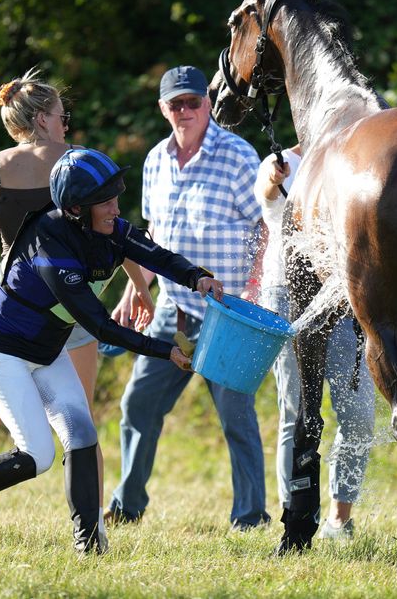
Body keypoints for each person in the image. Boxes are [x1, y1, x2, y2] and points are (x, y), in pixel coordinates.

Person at [0, 147, 221, 553]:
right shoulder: (51, 248)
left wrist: (197, 277)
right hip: (1, 350)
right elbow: (99, 325)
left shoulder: (106, 228)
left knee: (82, 433)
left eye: (115, 197)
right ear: (77, 208)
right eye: (106, 201)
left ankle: (89, 541)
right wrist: (165, 352)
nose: (116, 207)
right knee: (37, 454)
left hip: (45, 348)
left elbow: (155, 255)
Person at [0, 70, 153, 542]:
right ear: (41, 119)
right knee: (79, 420)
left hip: (12, 308)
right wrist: (139, 288)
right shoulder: (79, 163)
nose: (67, 125)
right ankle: (92, 529)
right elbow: (116, 232)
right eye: (62, 116)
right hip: (72, 306)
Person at [105, 65, 270, 530]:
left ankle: (251, 517)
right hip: (172, 309)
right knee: (138, 404)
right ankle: (127, 504)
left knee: (236, 417)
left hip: (229, 314)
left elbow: (268, 226)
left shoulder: (238, 155)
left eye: (193, 102)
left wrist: (255, 290)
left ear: (208, 104)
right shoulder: (155, 160)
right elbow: (151, 237)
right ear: (163, 109)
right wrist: (135, 288)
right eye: (175, 104)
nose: (185, 111)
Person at [255, 145, 375, 540]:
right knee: (296, 413)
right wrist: (275, 181)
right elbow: (267, 195)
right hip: (288, 295)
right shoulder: (281, 160)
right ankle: (296, 514)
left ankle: (340, 520)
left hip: (345, 297)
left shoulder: (359, 152)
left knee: (357, 415)